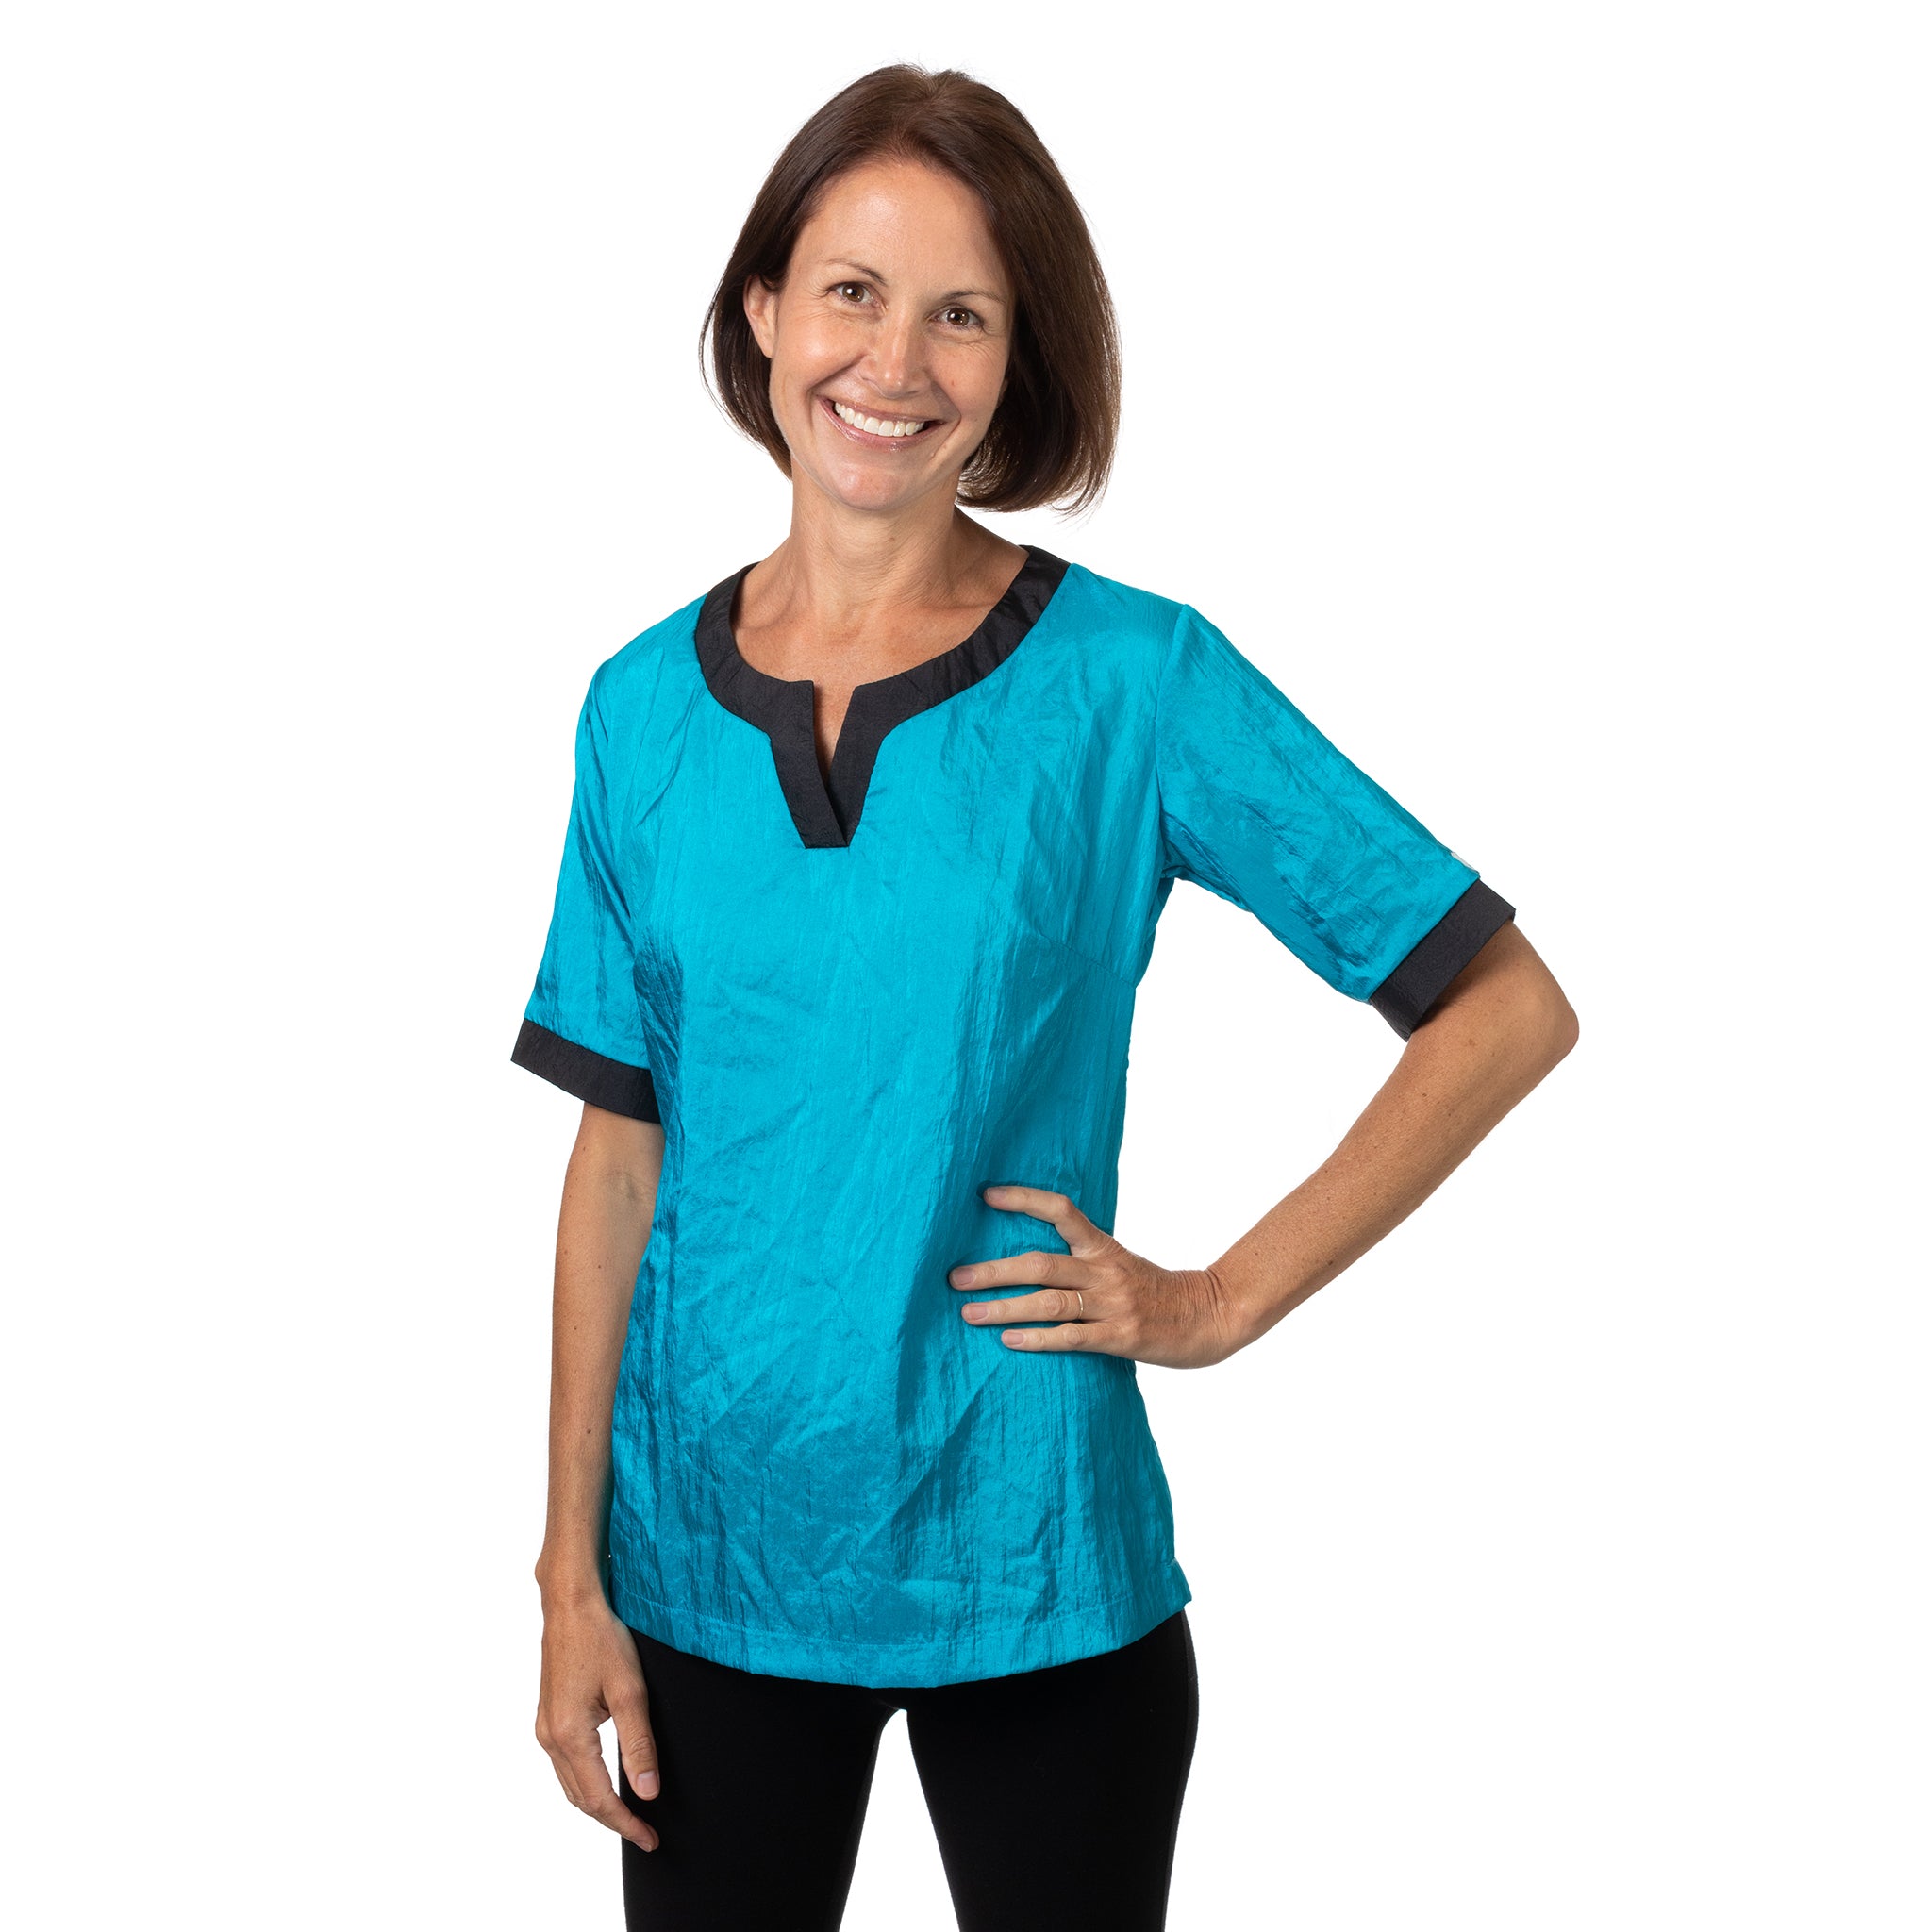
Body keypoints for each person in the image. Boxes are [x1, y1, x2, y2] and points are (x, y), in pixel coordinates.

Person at [510, 62, 1577, 1932]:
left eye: (962, 313)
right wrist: (567, 1577)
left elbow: (1503, 1005)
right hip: (704, 1563)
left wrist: (1218, 1297)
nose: (893, 362)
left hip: (1032, 1557)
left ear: (1019, 363)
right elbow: (619, 1155)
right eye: (852, 292)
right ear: (762, 311)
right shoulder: (638, 711)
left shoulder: (1132, 683)